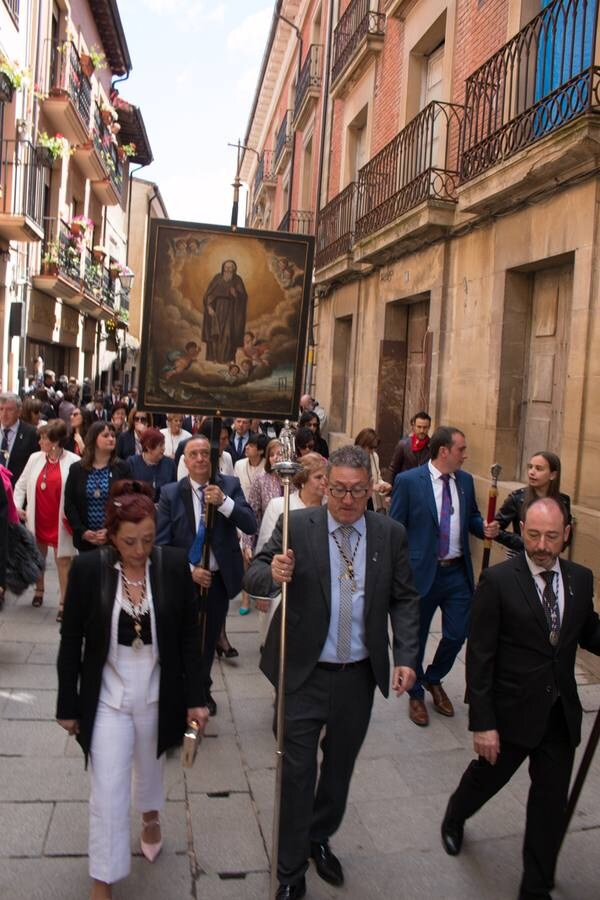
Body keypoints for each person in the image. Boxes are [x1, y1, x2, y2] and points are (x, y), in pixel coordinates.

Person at [244, 445, 420, 898]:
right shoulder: (297, 526)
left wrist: (405, 656)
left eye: (356, 491)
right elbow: (256, 574)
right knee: (296, 772)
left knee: (339, 768)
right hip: (303, 670)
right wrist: (274, 572)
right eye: (337, 488)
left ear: (370, 490)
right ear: (323, 485)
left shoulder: (389, 534)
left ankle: (318, 836)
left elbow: (404, 598)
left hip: (357, 675)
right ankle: (289, 873)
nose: (345, 499)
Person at [441, 497, 600, 900]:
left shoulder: (581, 579)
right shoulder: (498, 581)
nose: (541, 546)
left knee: (549, 806)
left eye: (550, 536)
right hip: (509, 715)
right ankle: (455, 816)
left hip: (559, 717)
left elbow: (590, 632)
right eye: (532, 535)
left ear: (566, 536)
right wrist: (483, 722)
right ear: (522, 532)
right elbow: (480, 656)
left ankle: (536, 886)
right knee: (485, 780)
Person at [56, 480, 208, 900]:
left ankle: (151, 814)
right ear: (111, 536)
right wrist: (67, 703)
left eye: (146, 539)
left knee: (149, 760)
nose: (140, 550)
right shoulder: (90, 571)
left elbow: (187, 641)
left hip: (158, 690)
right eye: (129, 541)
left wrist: (196, 698)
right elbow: (71, 640)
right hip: (108, 694)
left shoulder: (173, 565)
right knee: (107, 786)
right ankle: (102, 878)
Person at [390, 426, 499, 727]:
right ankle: (415, 693)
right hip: (421, 574)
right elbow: (394, 528)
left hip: (456, 574)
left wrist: (483, 528)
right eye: (461, 449)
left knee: (457, 633)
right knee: (417, 635)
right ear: (444, 451)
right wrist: (396, 573)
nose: (465, 455)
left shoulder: (464, 480)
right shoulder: (409, 482)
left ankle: (433, 678)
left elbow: (472, 517)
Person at [156, 435, 256, 716]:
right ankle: (180, 692)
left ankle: (202, 691)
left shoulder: (230, 486)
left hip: (217, 581)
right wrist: (190, 570)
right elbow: (162, 544)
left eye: (205, 453)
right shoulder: (170, 494)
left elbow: (250, 524)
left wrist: (224, 503)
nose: (200, 458)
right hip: (183, 580)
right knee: (181, 640)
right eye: (194, 454)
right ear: (184, 461)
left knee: (207, 640)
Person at [250, 452, 328, 643]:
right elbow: (264, 552)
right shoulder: (280, 505)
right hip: (284, 588)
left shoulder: (330, 508)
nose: (324, 482)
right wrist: (264, 592)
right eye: (318, 477)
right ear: (303, 479)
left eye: (326, 477)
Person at [14, 420, 79, 620]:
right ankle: (39, 591)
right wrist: (17, 507)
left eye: (44, 437)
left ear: (56, 441)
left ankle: (64, 603)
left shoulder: (74, 461)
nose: (40, 441)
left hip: (59, 519)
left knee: (63, 560)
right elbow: (21, 485)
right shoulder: (35, 458)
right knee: (38, 556)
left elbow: (77, 491)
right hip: (38, 515)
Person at [65, 422, 131, 552]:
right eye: (106, 435)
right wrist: (82, 531)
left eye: (113, 435)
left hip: (114, 539)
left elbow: (128, 502)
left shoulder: (122, 468)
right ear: (93, 439)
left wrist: (111, 530)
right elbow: (69, 504)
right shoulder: (77, 469)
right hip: (86, 540)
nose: (111, 439)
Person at [496, 451, 571, 553]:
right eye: (530, 467)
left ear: (552, 475)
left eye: (539, 469)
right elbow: (495, 529)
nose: (531, 472)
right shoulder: (517, 498)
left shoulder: (563, 501)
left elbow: (566, 536)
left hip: (549, 557)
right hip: (520, 556)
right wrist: (523, 542)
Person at [234, 433, 268, 616]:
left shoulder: (265, 468)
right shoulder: (239, 465)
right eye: (247, 445)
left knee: (259, 556)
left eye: (252, 446)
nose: (247, 448)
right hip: (241, 514)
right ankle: (245, 597)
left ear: (261, 450)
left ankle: (258, 590)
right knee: (244, 557)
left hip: (261, 517)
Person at [242, 439, 284, 556]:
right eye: (271, 455)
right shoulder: (261, 479)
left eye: (279, 454)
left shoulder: (295, 480)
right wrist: (248, 544)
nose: (275, 458)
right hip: (268, 541)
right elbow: (251, 513)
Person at [201, 259, 248, 363]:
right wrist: (209, 307)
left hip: (231, 312)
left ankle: (228, 359)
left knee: (228, 334)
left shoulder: (237, 280)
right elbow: (208, 294)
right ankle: (214, 358)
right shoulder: (217, 278)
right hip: (216, 310)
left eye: (230, 267)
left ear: (234, 268)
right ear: (223, 268)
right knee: (215, 333)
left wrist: (235, 293)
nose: (228, 269)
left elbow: (243, 297)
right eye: (226, 267)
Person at [0, 392, 40, 483]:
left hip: (16, 489)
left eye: (9, 410)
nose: (4, 414)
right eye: (1, 409)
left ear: (19, 412)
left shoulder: (32, 434)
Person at [127, 428, 176, 503]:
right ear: (148, 447)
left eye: (163, 444)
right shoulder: (132, 463)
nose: (164, 448)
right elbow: (128, 492)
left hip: (163, 509)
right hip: (139, 509)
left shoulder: (170, 464)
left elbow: (173, 491)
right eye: (160, 446)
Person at [354, 427, 391, 513]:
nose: (372, 451)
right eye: (370, 448)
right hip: (356, 500)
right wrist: (373, 487)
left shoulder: (374, 456)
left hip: (371, 501)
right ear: (362, 444)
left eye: (375, 448)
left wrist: (384, 485)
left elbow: (378, 478)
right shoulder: (352, 458)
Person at [388, 411, 432, 481]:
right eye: (419, 427)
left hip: (424, 486)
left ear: (429, 427)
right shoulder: (403, 444)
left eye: (425, 427)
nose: (422, 430)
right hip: (406, 486)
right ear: (414, 426)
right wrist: (390, 487)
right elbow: (393, 468)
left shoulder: (433, 446)